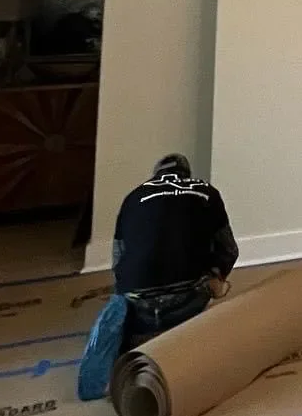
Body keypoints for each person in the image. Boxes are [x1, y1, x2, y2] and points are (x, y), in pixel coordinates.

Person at [77, 154, 239, 401]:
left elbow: (118, 259)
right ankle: (177, 328)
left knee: (123, 301)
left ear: (155, 174)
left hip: (139, 306)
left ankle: (125, 323)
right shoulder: (206, 192)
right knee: (208, 289)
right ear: (187, 173)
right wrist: (217, 276)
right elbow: (229, 250)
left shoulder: (133, 197)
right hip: (186, 303)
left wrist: (129, 290)